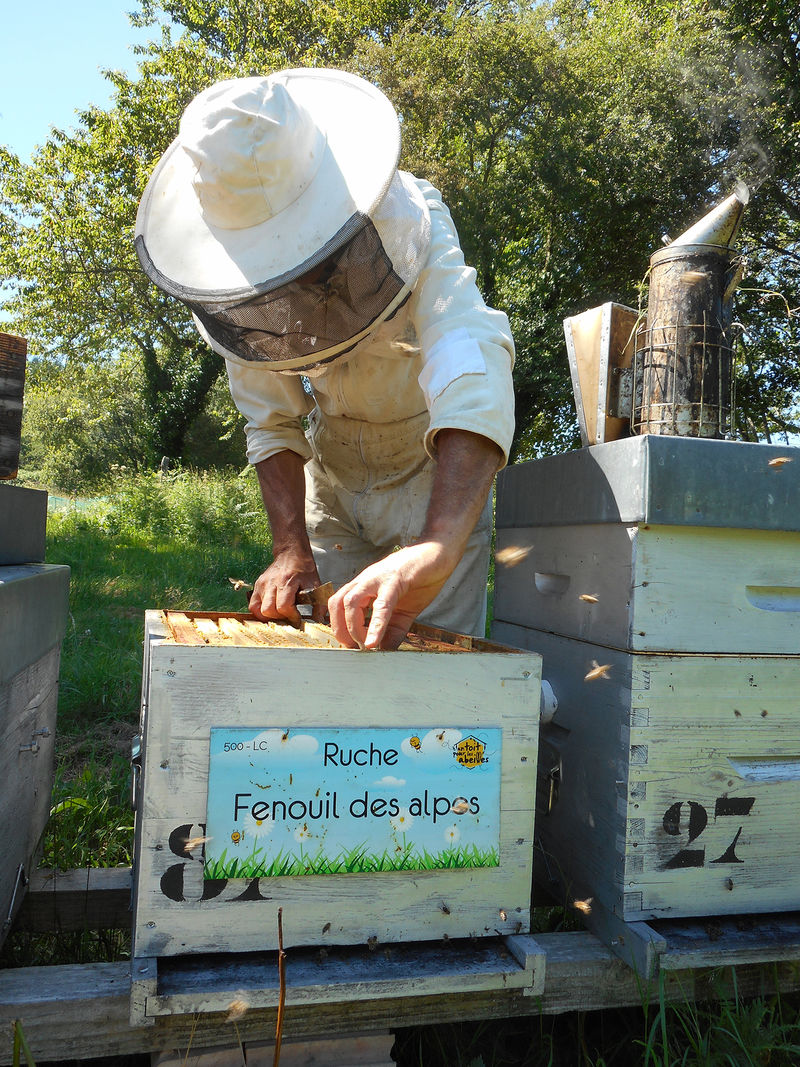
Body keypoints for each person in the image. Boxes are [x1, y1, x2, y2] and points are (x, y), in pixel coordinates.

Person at [135, 68, 515, 650]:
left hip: (431, 469)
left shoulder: (412, 215)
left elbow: (466, 352)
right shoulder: (231, 284)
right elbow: (271, 419)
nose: (290, 280)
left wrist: (438, 545)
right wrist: (290, 547)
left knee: (441, 683)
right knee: (333, 666)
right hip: (332, 476)